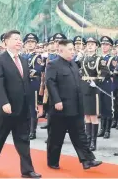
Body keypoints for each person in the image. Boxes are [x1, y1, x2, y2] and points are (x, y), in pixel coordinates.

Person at [0, 30, 40, 178]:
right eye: (15, 39)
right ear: (6, 42)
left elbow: (26, 83)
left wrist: (31, 104)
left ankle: (27, 170)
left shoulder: (23, 60)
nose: (19, 41)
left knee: (23, 138)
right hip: (7, 107)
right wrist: (4, 102)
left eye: (20, 39)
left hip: (23, 107)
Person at [45, 38, 103, 169]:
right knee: (56, 136)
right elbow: (50, 83)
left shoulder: (73, 64)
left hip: (76, 106)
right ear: (61, 50)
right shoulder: (53, 64)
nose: (73, 52)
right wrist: (57, 100)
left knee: (80, 135)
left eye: (73, 49)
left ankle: (87, 160)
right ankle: (52, 162)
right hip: (60, 107)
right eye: (70, 49)